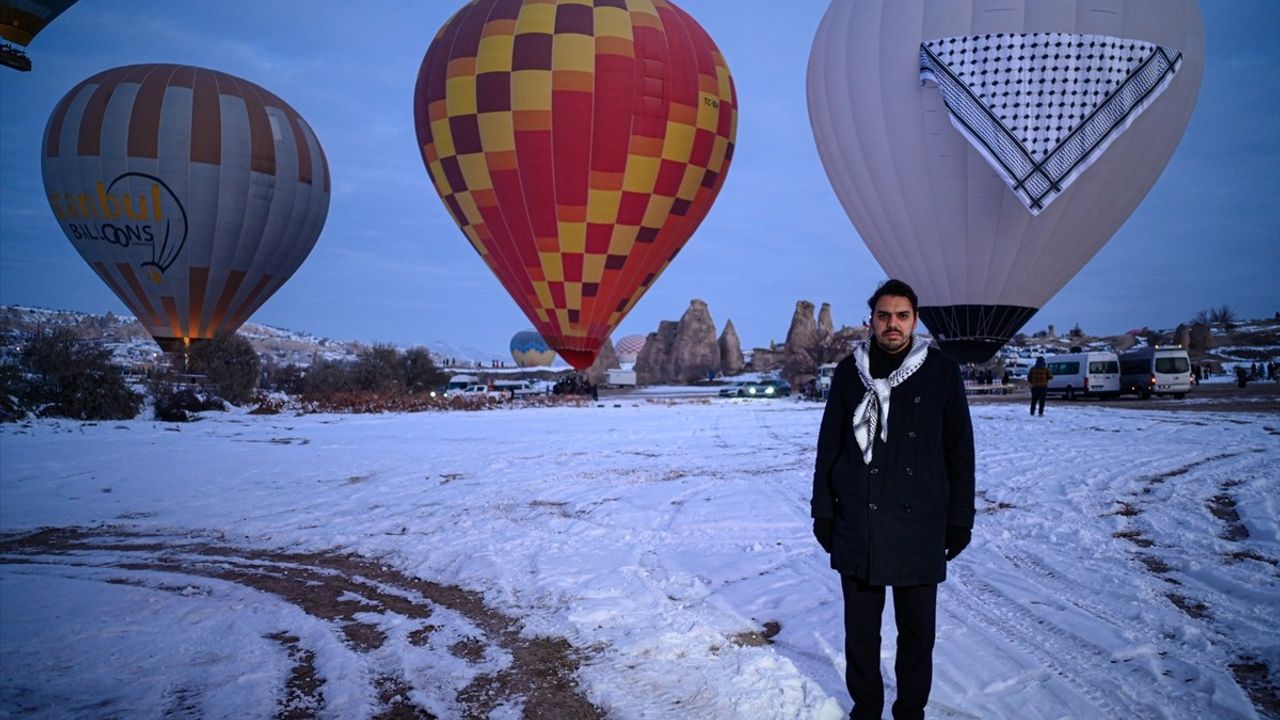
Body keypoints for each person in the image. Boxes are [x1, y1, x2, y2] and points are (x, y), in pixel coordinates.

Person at [811, 279, 976, 720]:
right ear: (872, 320)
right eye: (884, 315)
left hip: (921, 522)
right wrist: (822, 512)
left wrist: (961, 519)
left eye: (902, 316)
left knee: (917, 634)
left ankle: (910, 712)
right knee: (861, 634)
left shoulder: (941, 372)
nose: (893, 324)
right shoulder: (850, 372)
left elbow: (959, 451)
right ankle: (866, 709)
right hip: (859, 522)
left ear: (915, 320)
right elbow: (830, 447)